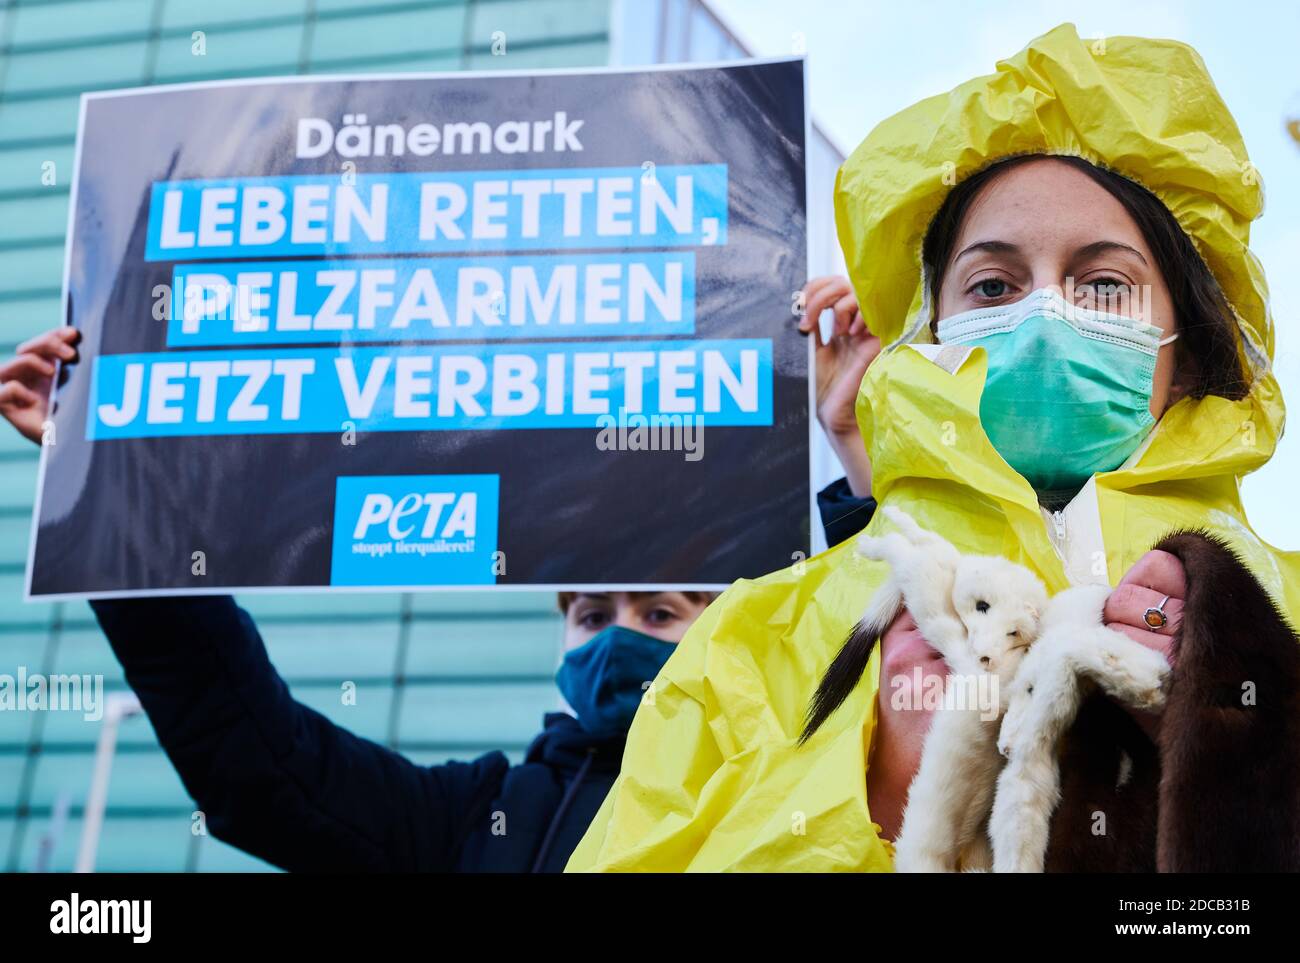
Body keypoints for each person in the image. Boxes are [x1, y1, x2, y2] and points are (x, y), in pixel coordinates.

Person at [567, 24, 1300, 872]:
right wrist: (891, 807)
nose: (1044, 315)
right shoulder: (757, 637)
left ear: (1191, 352)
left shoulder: (1278, 612)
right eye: (994, 285)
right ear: (931, 339)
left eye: (1103, 283)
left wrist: (1224, 794)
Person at [0, 286, 880, 872]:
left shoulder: (798, 783)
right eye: (586, 612)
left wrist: (862, 460)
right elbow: (259, 766)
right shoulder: (479, 818)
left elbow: (894, 676)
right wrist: (110, 495)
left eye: (658, 611)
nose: (613, 638)